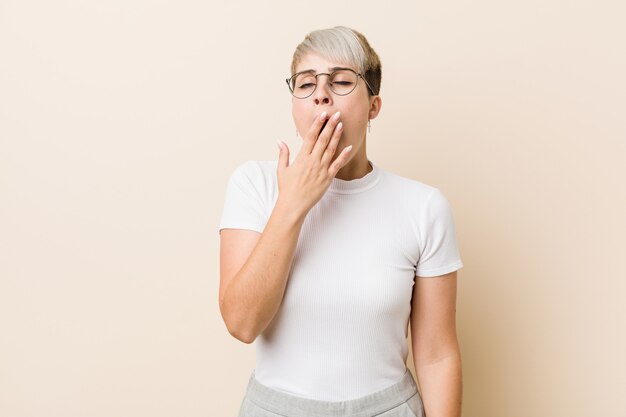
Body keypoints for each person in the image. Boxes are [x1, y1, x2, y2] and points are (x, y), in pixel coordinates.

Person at [218, 26, 463, 417]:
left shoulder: (424, 207)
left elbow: (436, 355)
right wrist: (293, 204)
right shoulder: (255, 185)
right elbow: (242, 323)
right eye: (306, 83)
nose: (321, 92)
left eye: (342, 80)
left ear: (373, 106)